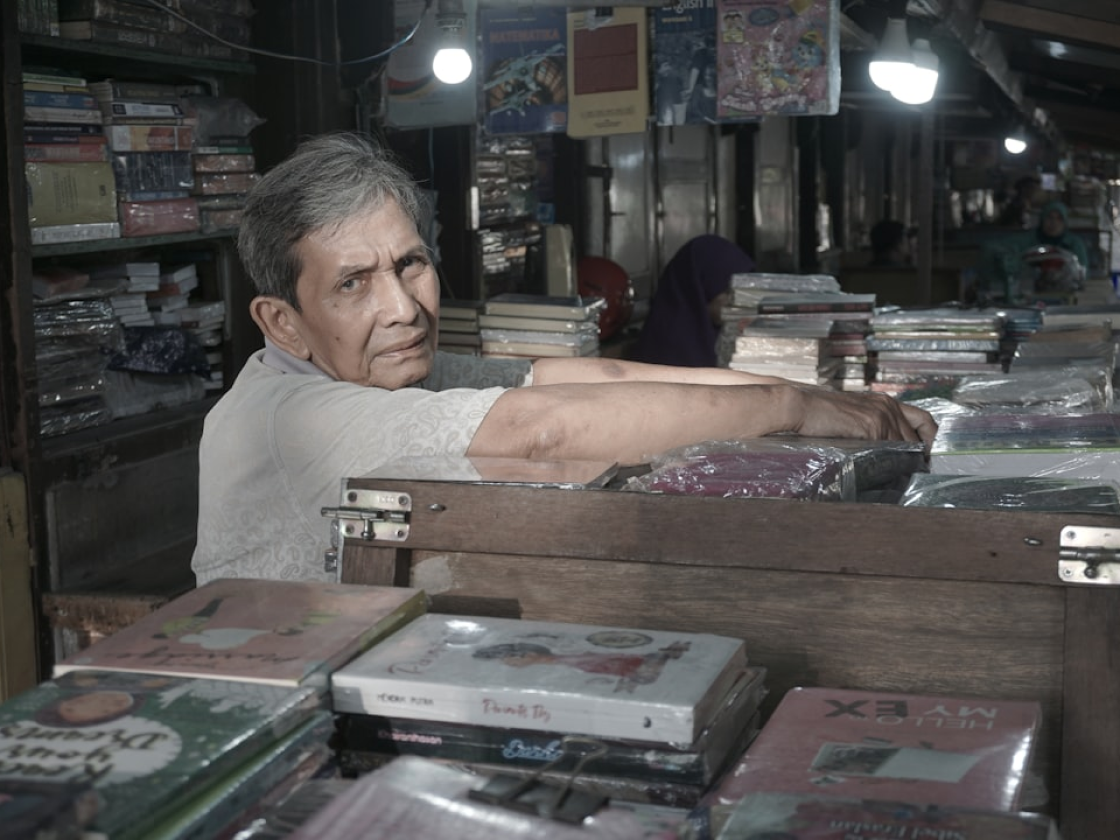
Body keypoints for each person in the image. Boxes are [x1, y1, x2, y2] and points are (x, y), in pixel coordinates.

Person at [191, 132, 936, 585]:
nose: (403, 307)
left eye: (410, 264)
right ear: (282, 323)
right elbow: (539, 429)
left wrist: (800, 390)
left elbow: (591, 375)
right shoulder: (299, 414)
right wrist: (796, 409)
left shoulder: (387, 367)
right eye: (354, 284)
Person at [632, 234, 753, 368]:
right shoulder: (672, 349)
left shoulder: (717, 332)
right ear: (701, 289)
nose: (739, 303)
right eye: (729, 293)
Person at [979, 199, 1089, 302]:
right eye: (1049, 217)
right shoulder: (1028, 239)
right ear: (1042, 219)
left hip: (1064, 296)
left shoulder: (1074, 244)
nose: (1053, 222)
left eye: (1059, 218)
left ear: (1065, 222)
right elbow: (992, 247)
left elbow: (1082, 274)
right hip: (1029, 297)